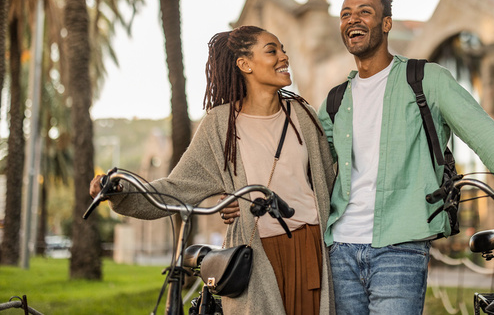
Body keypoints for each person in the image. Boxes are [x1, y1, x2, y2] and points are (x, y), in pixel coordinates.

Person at [317, 0, 494, 315]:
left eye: (365, 11)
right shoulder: (335, 101)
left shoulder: (427, 79)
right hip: (340, 248)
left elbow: (482, 131)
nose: (353, 19)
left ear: (386, 23)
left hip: (401, 246)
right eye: (345, 14)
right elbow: (306, 162)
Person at [89, 26, 336, 315]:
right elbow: (177, 189)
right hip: (254, 256)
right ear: (245, 65)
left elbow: (328, 180)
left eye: (282, 49)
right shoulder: (220, 125)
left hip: (309, 248)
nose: (284, 56)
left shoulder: (303, 115)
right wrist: (122, 190)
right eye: (272, 50)